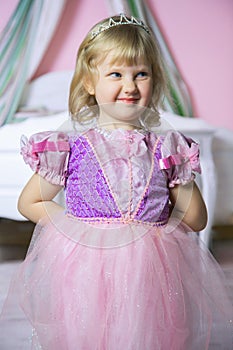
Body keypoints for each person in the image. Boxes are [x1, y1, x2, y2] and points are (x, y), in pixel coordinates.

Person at [6, 14, 233, 349]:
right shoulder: (69, 147)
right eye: (116, 74)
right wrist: (76, 228)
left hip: (150, 269)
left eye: (141, 74)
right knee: (89, 329)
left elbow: (196, 218)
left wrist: (175, 187)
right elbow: (30, 202)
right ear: (88, 83)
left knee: (144, 331)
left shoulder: (167, 148)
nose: (130, 86)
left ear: (154, 82)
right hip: (86, 265)